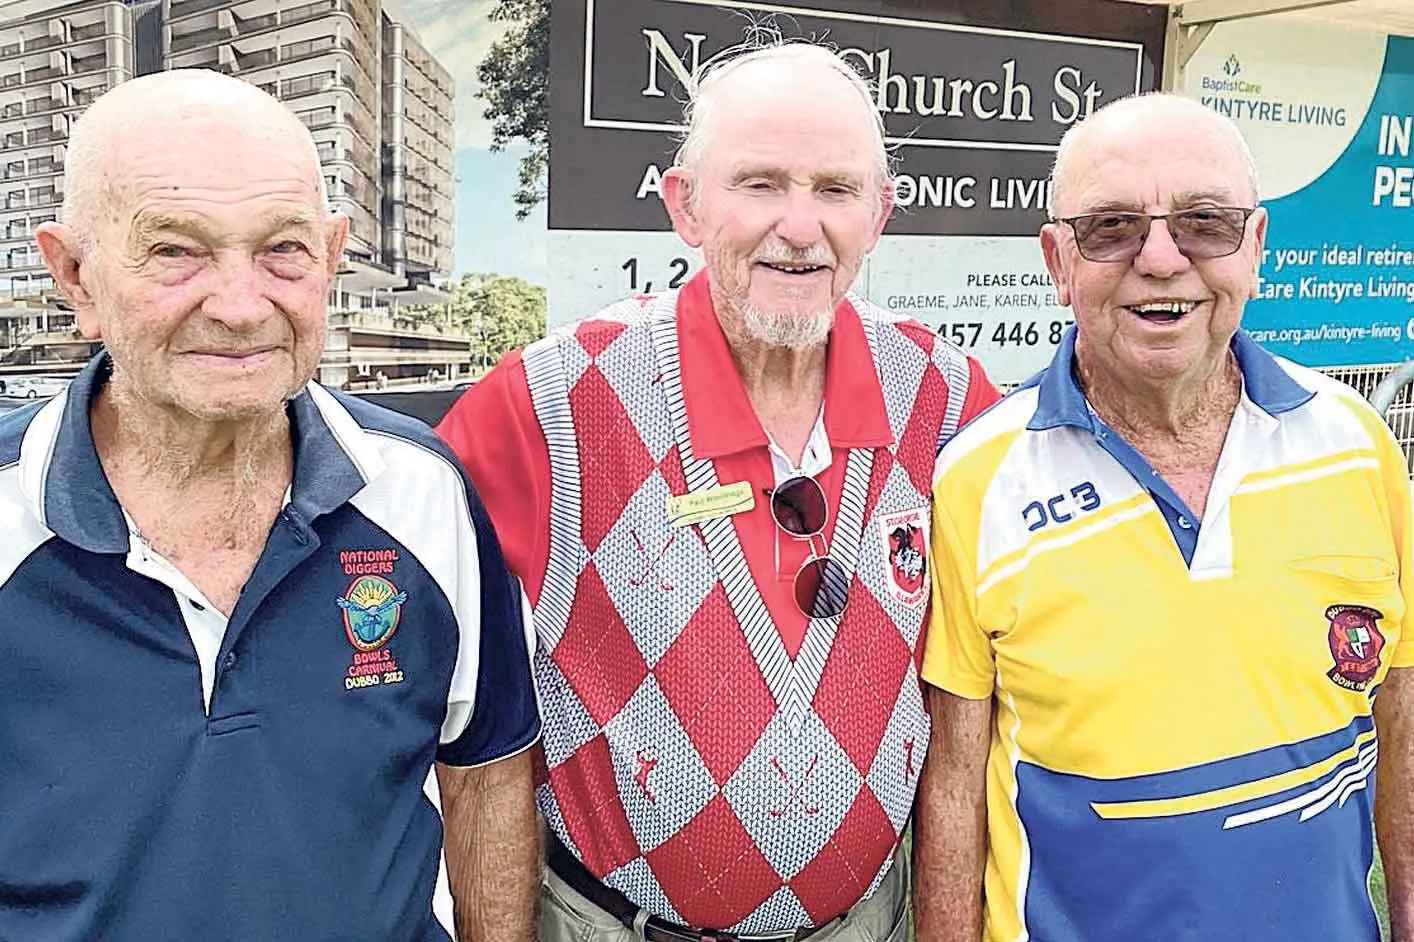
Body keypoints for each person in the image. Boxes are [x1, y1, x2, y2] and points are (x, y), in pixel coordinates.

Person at [437, 39, 998, 942]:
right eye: (761, 183)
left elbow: (966, 713)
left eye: (836, 190)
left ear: (881, 214)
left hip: (868, 925)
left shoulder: (946, 400)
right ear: (685, 205)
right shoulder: (549, 403)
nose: (800, 225)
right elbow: (460, 723)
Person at [0, 70, 541, 941]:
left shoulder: (421, 491)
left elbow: (485, 768)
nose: (243, 305)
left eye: (282, 248)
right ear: (75, 274)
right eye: (175, 250)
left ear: (331, 256)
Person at [915, 91, 1414, 942]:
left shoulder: (1358, 444)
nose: (1160, 259)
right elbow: (955, 785)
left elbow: (1401, 718)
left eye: (1205, 222)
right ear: (1057, 260)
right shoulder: (978, 476)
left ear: (1255, 247)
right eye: (1111, 228)